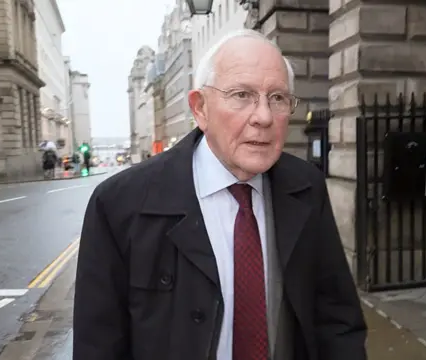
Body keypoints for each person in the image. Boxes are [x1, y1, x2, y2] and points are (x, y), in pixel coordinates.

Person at [73, 29, 367, 360]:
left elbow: (337, 319)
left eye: (278, 98)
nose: (264, 117)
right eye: (242, 95)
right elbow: (98, 346)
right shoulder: (118, 205)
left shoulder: (307, 187)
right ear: (200, 109)